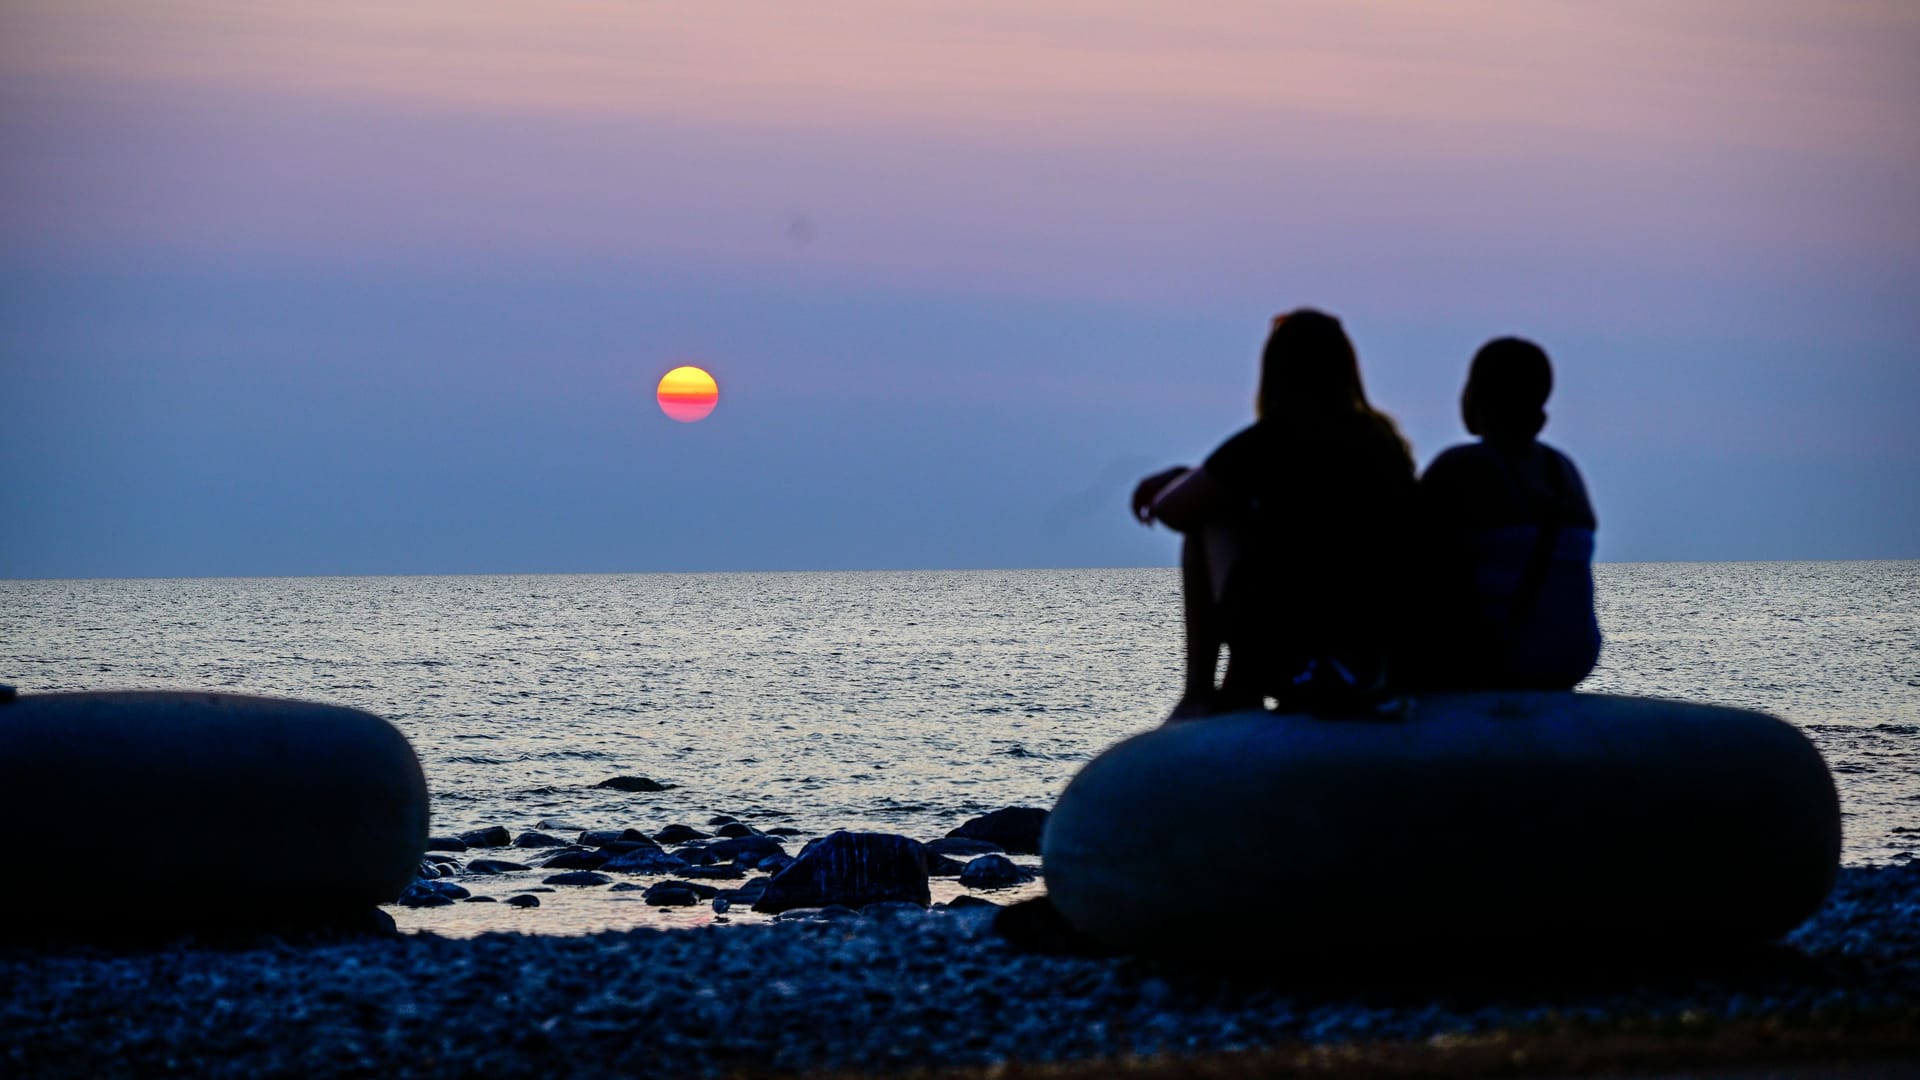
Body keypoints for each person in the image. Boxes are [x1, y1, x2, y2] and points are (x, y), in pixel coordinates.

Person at [1132, 309, 1417, 720]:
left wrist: (1185, 481)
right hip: (1381, 648)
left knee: (1208, 520)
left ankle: (1200, 693)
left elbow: (1174, 511)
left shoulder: (1273, 440)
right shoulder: (1383, 442)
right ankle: (1234, 689)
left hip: (1290, 651)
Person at [1415, 337, 1601, 690]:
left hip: (1498, 661)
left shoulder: (1461, 468)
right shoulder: (1565, 472)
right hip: (1571, 660)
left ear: (1479, 397)